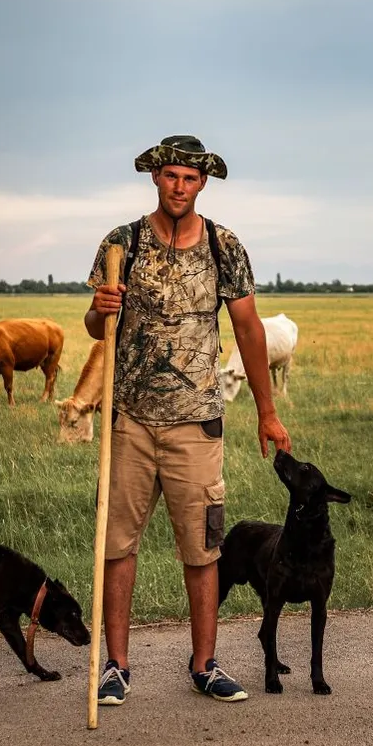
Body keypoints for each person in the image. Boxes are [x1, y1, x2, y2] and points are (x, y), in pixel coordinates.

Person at [85, 135, 291, 705]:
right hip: (129, 422)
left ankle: (204, 665)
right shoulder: (120, 243)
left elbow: (249, 330)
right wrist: (96, 309)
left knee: (203, 548)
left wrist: (267, 413)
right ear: (155, 177)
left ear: (203, 183)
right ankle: (116, 668)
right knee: (118, 544)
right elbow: (94, 326)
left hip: (198, 423)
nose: (179, 186)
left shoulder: (225, 246)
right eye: (170, 176)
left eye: (190, 178)